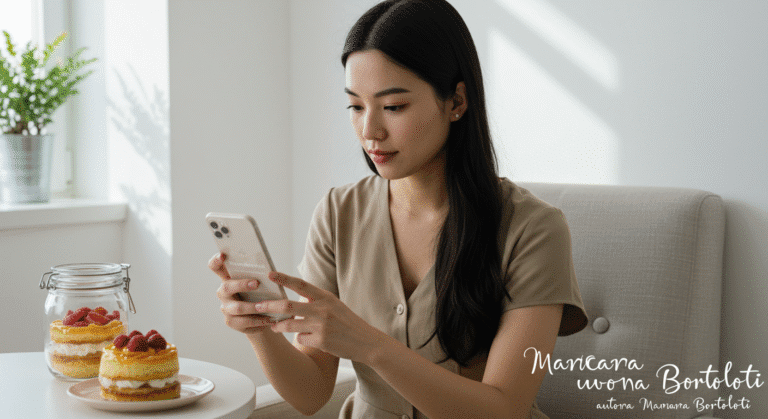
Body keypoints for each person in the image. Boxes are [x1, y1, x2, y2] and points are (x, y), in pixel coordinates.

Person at [209, 0, 588, 418]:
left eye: (393, 107)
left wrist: (369, 344)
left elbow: (503, 409)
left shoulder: (533, 230)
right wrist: (259, 330)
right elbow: (312, 392)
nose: (369, 131)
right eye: (355, 106)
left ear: (456, 101)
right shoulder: (338, 213)